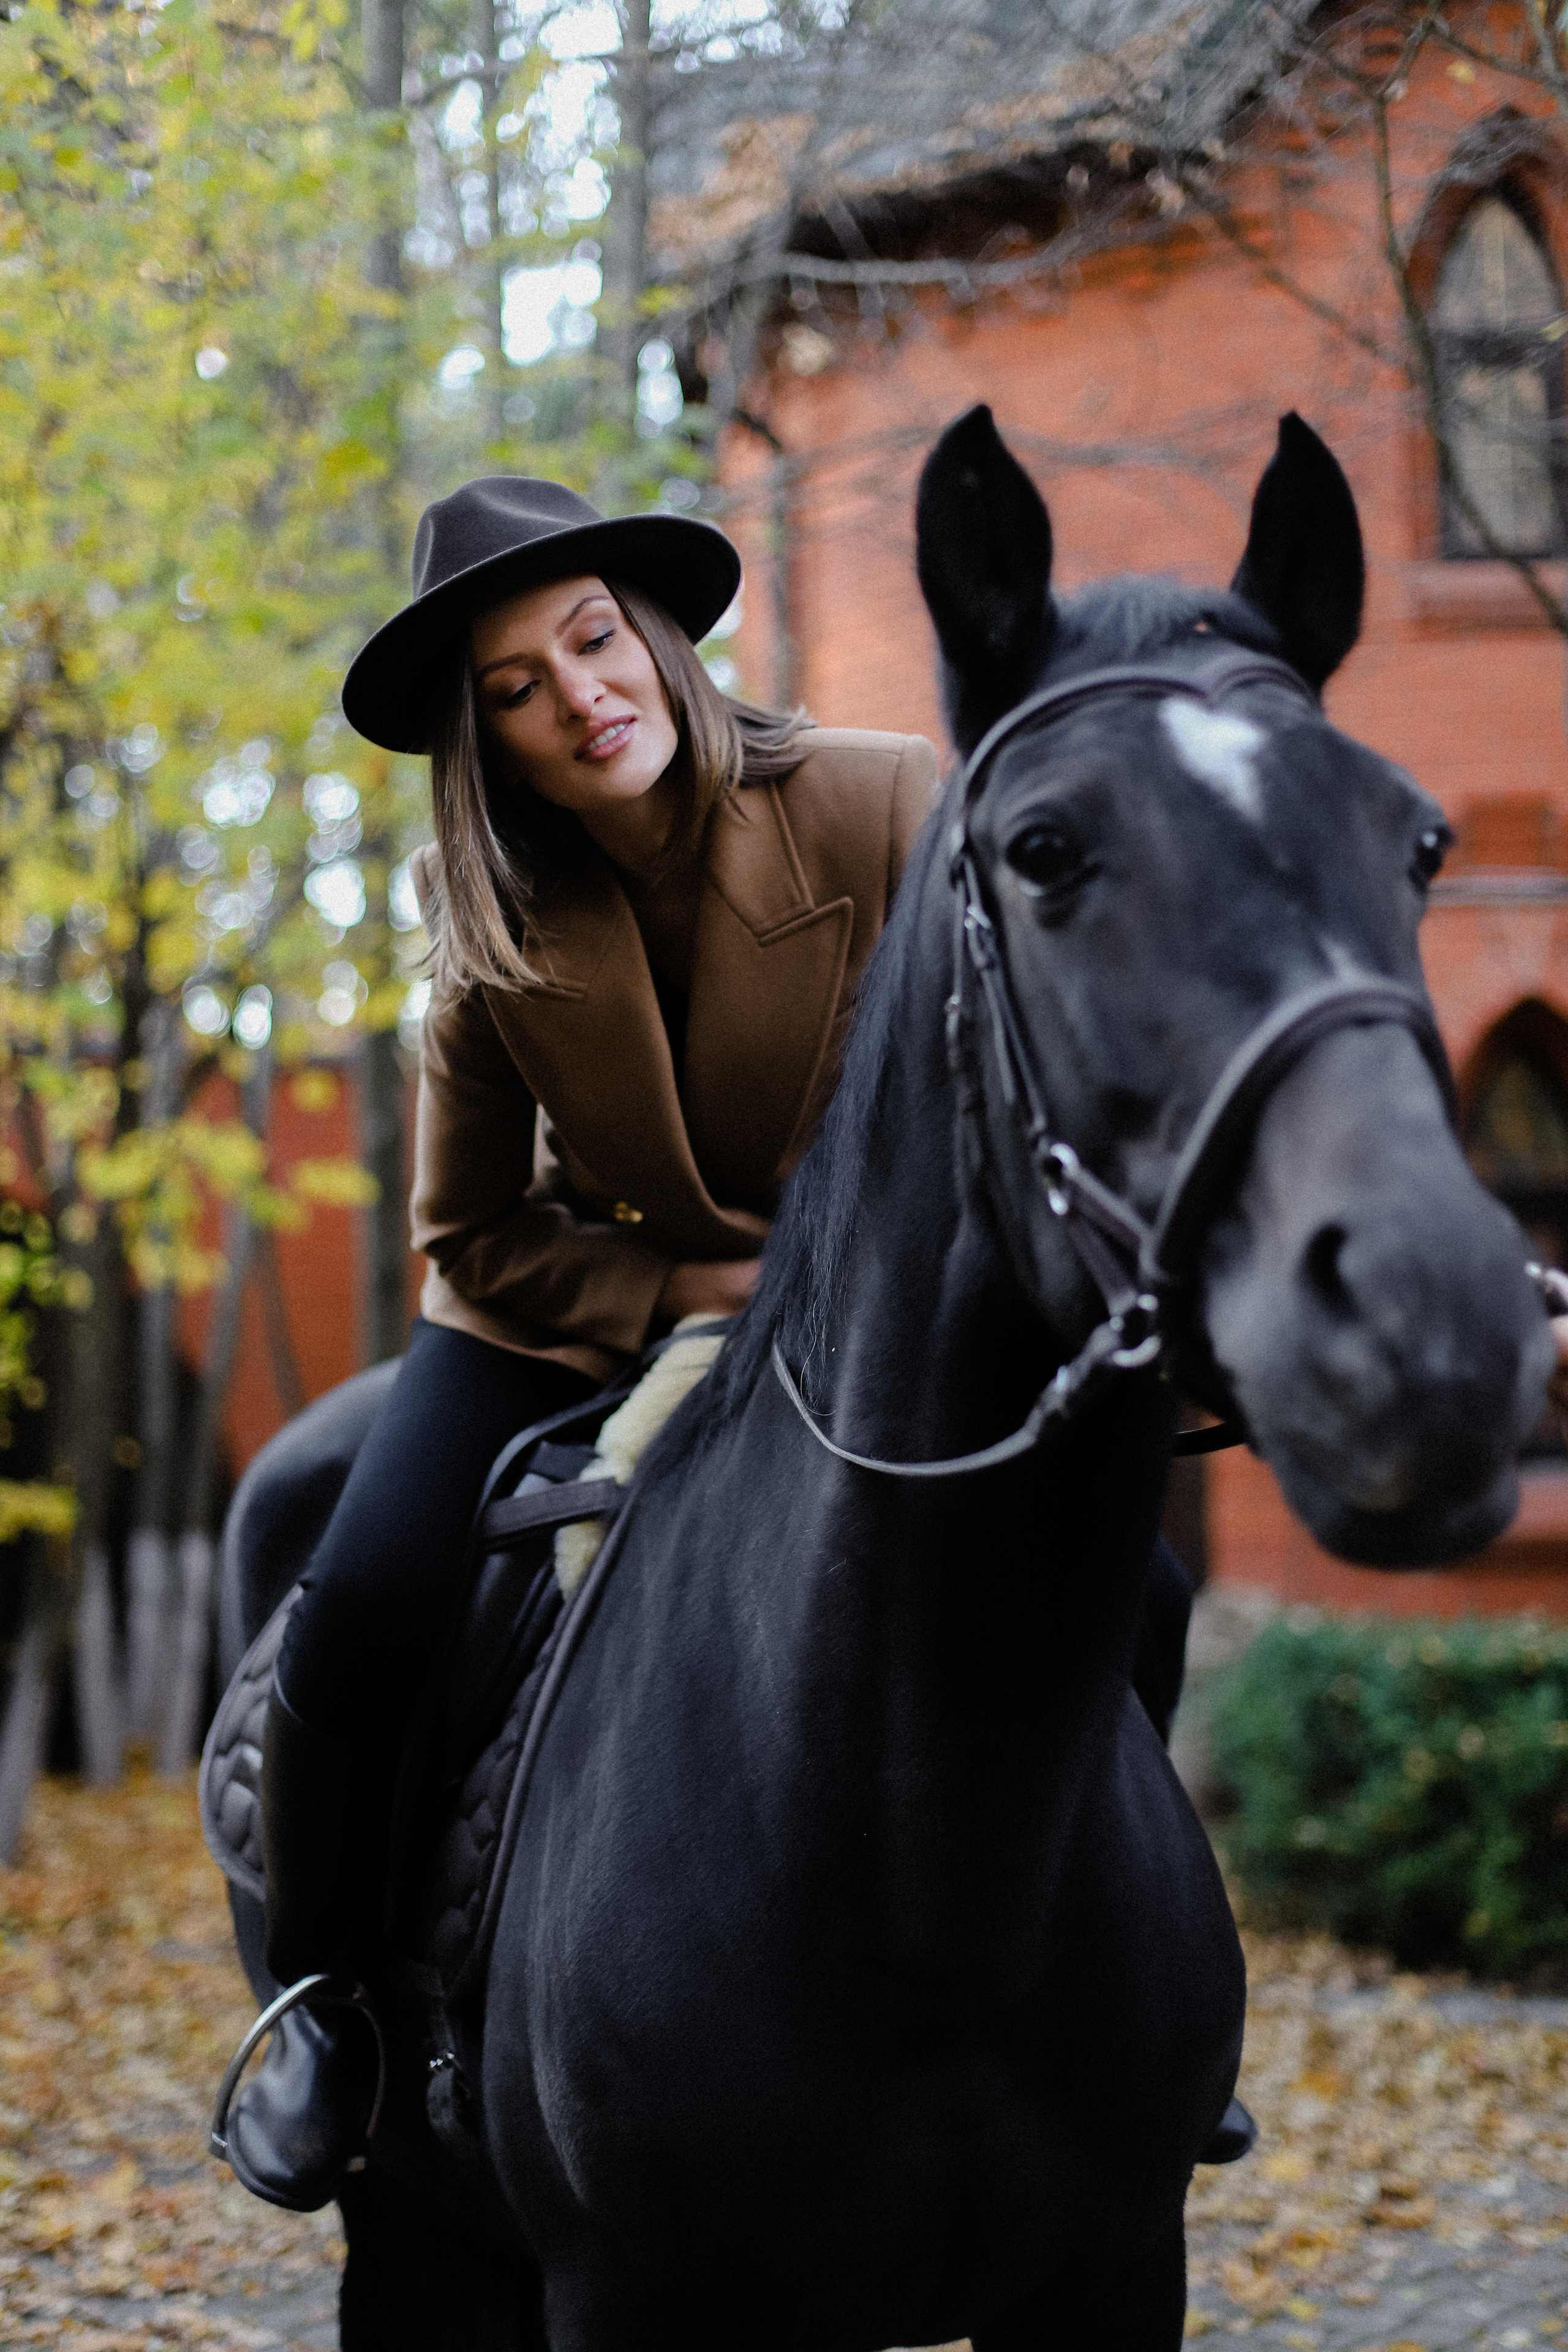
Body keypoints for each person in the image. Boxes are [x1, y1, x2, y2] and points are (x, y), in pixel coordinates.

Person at [221, 475, 940, 2211]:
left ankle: (1129, 2017)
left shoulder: (888, 797)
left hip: (864, 1296)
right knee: (376, 1585)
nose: (578, 696)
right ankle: (325, 2008)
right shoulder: (485, 934)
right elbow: (466, 1235)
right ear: (491, 747)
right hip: (561, 1299)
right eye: (517, 690)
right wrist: (675, 1299)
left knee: (1117, 1574)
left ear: (661, 638)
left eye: (593, 639)